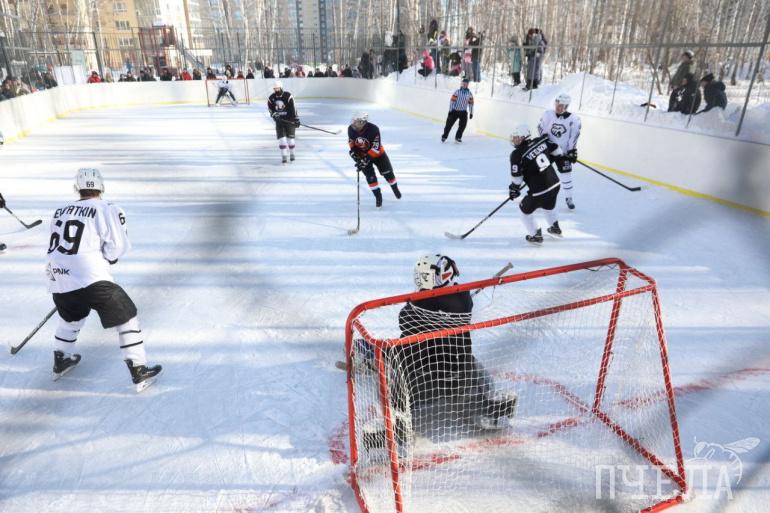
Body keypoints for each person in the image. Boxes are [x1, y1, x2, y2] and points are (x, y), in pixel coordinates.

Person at [46, 168, 162, 391]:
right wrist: (109, 257)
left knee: (71, 318)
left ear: (77, 188)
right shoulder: (108, 208)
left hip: (57, 276)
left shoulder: (60, 210)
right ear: (101, 187)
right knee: (126, 317)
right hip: (90, 277)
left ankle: (61, 359)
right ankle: (139, 370)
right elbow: (117, 246)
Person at [397, 256, 517, 430]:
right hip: (457, 367)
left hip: (418, 371)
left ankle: (395, 411)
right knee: (472, 363)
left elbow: (403, 319)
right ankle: (489, 404)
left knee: (394, 353)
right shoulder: (463, 296)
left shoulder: (418, 302)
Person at [508, 124, 564, 244]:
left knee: (524, 212)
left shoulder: (516, 154)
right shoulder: (540, 141)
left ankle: (536, 235)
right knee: (548, 206)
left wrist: (514, 189)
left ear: (524, 137)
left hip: (540, 191)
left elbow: (517, 178)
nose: (514, 140)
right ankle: (555, 227)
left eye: (517, 137)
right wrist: (555, 159)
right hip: (555, 184)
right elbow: (558, 151)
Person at [348, 112, 401, 208]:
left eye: (356, 121)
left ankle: (395, 188)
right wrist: (354, 155)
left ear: (362, 122)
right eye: (353, 121)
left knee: (388, 173)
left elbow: (376, 147)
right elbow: (352, 143)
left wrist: (366, 159)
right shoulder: (351, 129)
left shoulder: (374, 129)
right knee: (370, 177)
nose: (353, 123)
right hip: (363, 155)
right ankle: (378, 196)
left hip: (378, 154)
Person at [538, 93, 581, 209]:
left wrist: (572, 151)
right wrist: (544, 139)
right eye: (557, 104)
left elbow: (573, 137)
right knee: (540, 173)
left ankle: (569, 197)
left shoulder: (574, 119)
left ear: (566, 106)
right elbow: (541, 128)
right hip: (548, 150)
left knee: (566, 173)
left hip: (563, 152)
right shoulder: (548, 114)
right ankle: (536, 196)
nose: (558, 107)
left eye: (561, 105)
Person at [267, 81, 299, 164]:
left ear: (281, 88)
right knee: (282, 140)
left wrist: (296, 118)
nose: (276, 90)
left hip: (289, 121)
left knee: (290, 140)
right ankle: (284, 157)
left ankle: (292, 154)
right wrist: (274, 115)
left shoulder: (288, 96)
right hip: (279, 122)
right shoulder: (271, 98)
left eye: (277, 88)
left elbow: (293, 107)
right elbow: (270, 109)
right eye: (275, 89)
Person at [441, 77, 474, 143]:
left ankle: (458, 137)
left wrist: (471, 112)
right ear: (462, 84)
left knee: (463, 125)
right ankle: (444, 136)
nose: (464, 84)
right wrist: (451, 110)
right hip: (455, 111)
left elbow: (471, 104)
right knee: (449, 125)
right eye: (463, 83)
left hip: (463, 112)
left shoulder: (469, 94)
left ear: (468, 85)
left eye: (466, 83)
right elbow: (452, 101)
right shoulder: (457, 92)